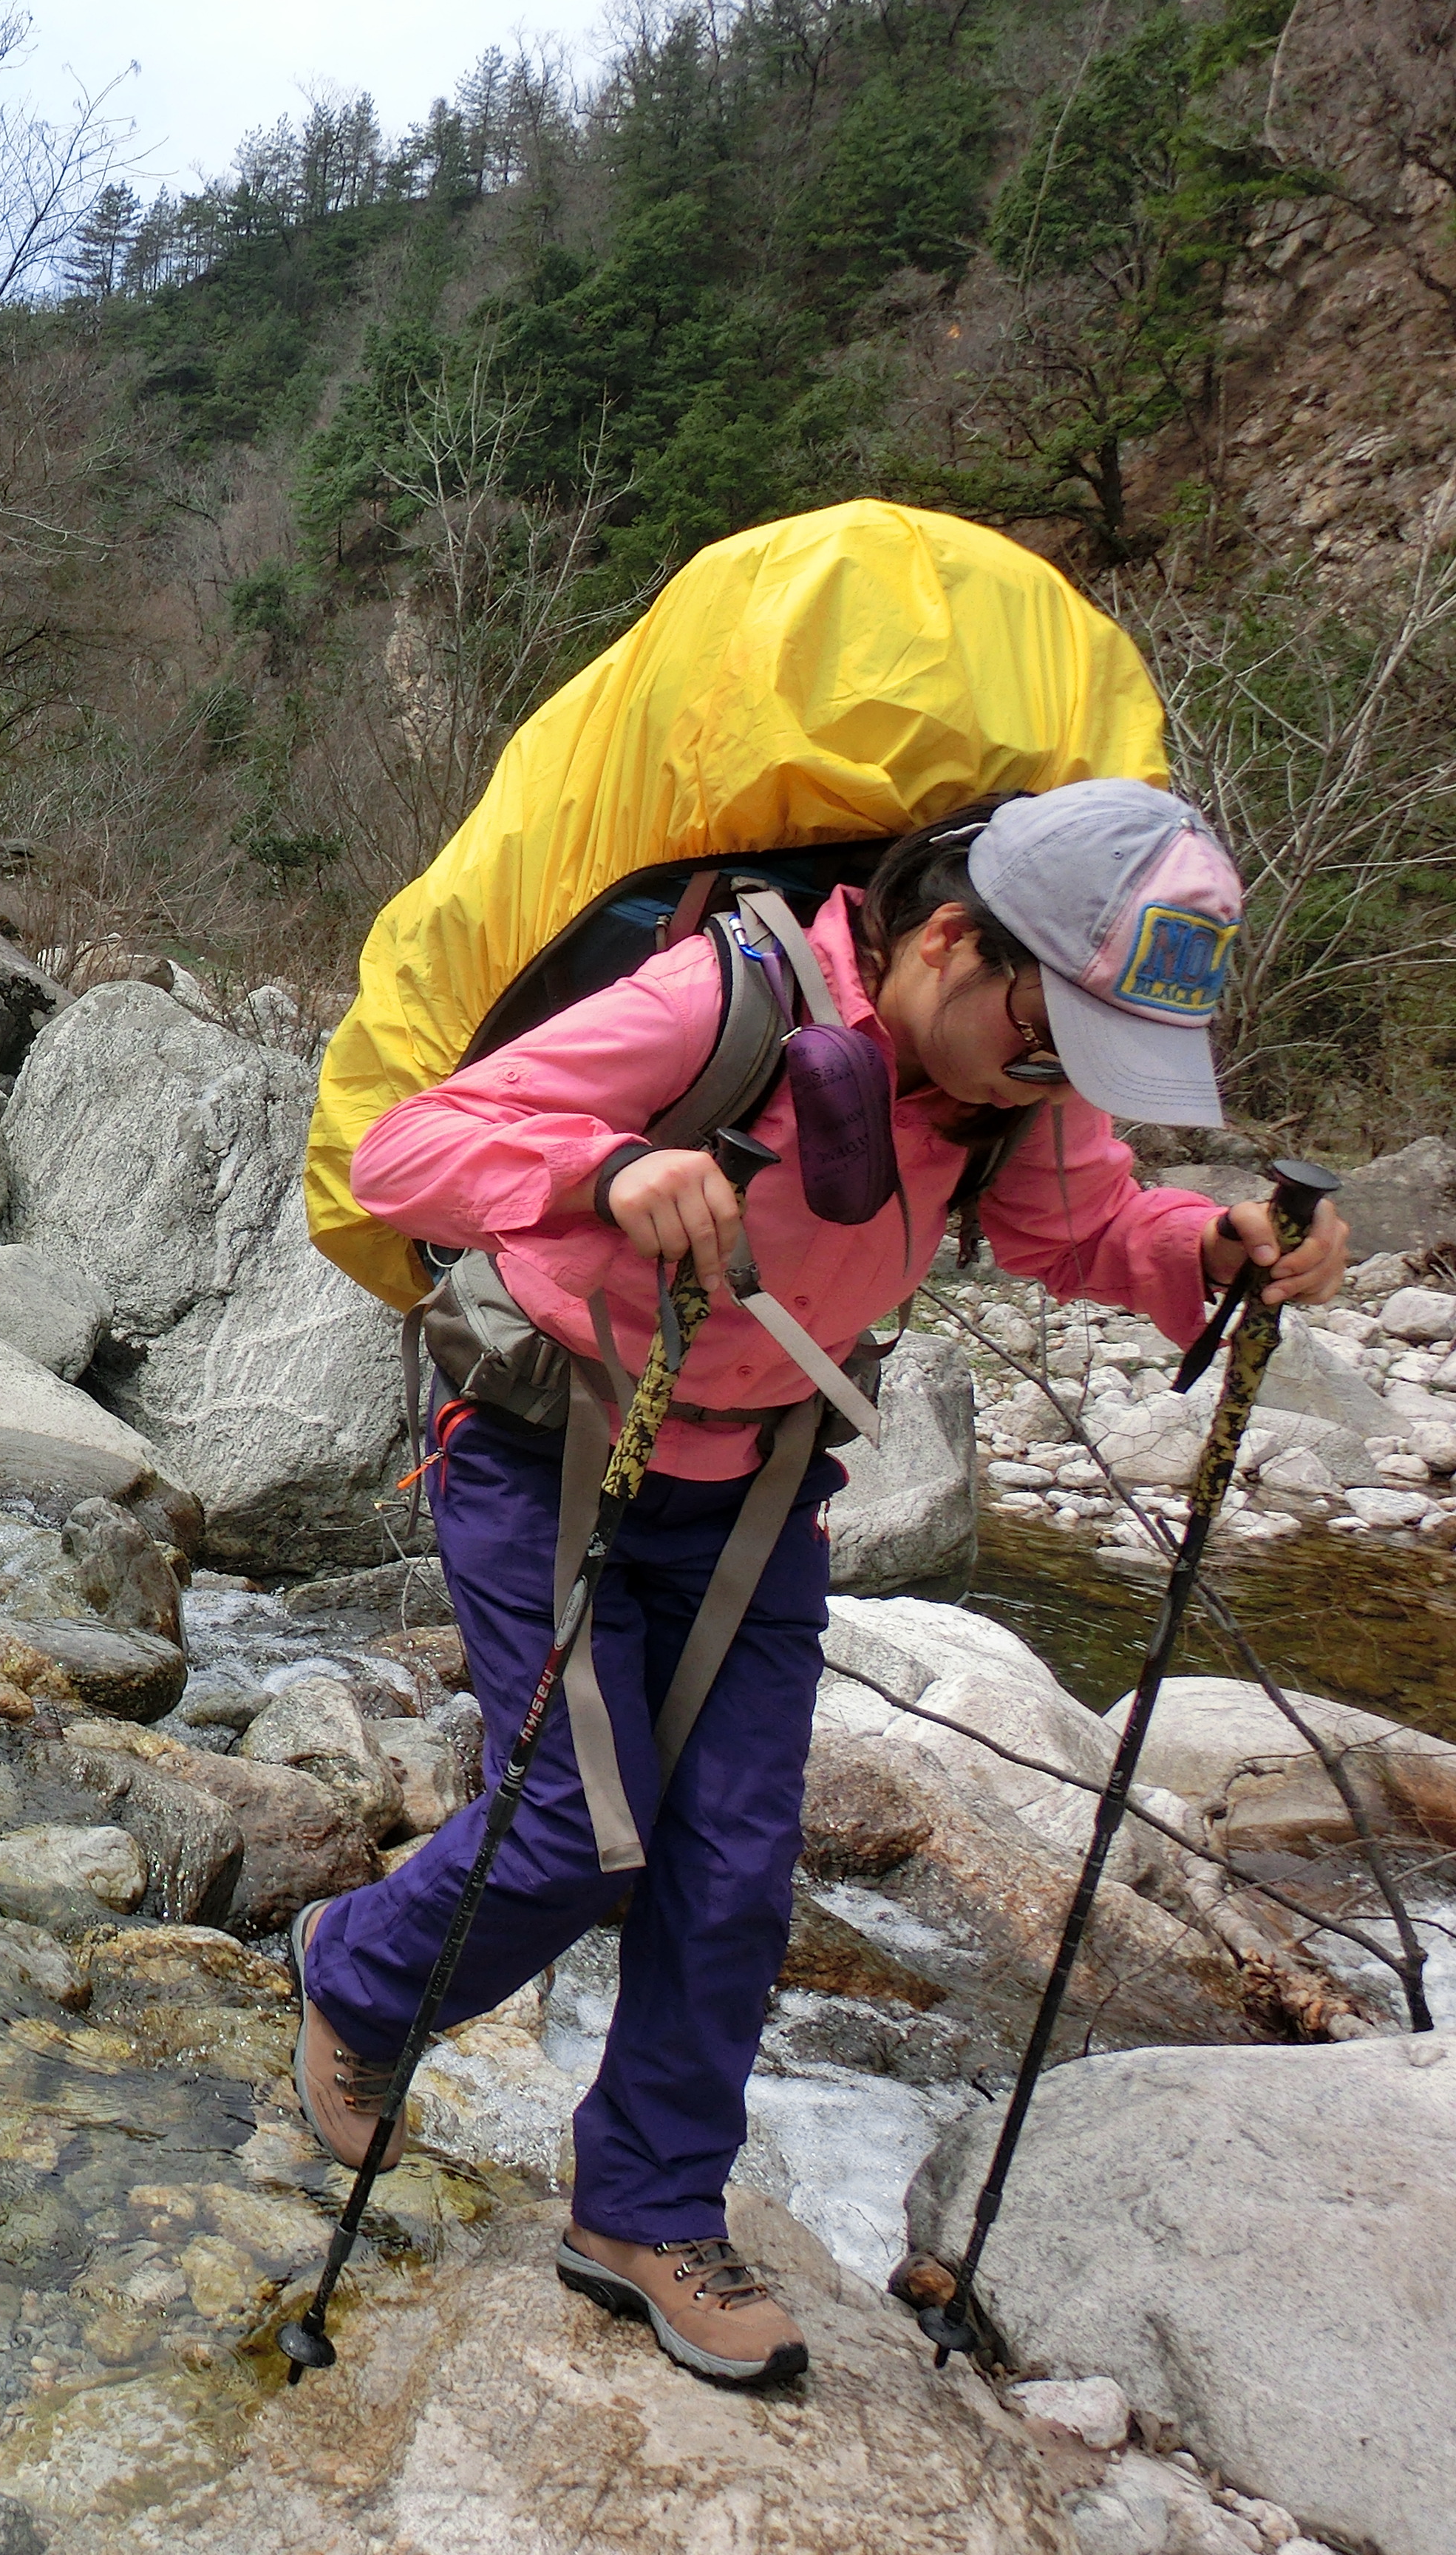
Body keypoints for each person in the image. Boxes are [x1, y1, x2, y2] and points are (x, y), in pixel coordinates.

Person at [292, 778, 1348, 2389]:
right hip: (551, 1450)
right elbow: (409, 1152)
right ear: (947, 941)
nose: (1063, 1082)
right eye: (1055, 1036)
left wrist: (1206, 1248)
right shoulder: (732, 993)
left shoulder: (1007, 1090)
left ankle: (644, 2210)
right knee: (575, 1830)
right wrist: (602, 1173)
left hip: (765, 1485)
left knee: (732, 1863)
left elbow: (1090, 1228)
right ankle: (358, 1979)